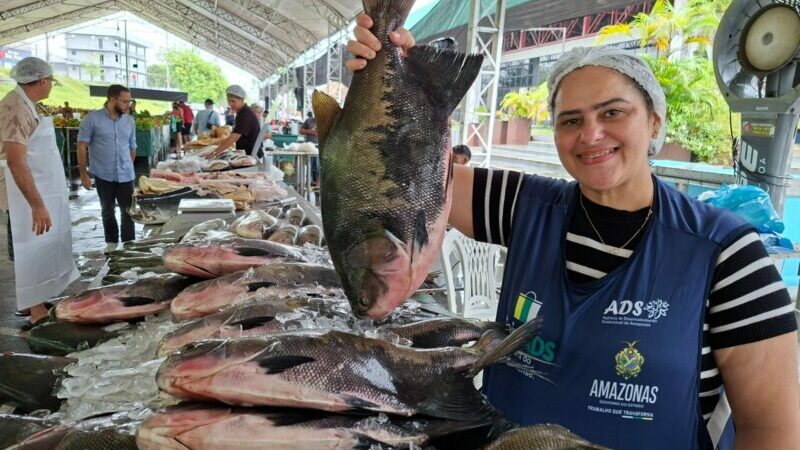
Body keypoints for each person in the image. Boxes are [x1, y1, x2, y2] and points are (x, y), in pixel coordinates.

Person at [348, 16, 800, 449]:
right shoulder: (523, 205)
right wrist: (388, 75)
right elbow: (397, 181)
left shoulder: (727, 251)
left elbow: (774, 429)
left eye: (613, 112)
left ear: (655, 121)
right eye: (571, 120)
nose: (591, 134)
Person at [0, 57, 79, 325]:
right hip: (19, 194)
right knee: (28, 246)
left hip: (38, 188)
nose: (51, 85)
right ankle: (34, 309)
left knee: (42, 243)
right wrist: (36, 204)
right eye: (51, 81)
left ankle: (35, 298)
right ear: (43, 80)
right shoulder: (15, 109)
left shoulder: (25, 104)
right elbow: (15, 160)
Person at [77, 84, 137, 254]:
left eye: (129, 101)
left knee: (128, 212)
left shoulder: (129, 122)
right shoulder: (92, 119)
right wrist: (84, 174)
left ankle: (129, 246)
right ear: (112, 99)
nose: (128, 105)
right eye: (125, 102)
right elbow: (82, 146)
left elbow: (132, 148)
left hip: (126, 175)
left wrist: (128, 166)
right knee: (107, 210)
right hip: (103, 174)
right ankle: (111, 244)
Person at [207, 85, 261, 159]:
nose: (230, 104)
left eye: (233, 101)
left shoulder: (245, 114)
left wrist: (213, 154)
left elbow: (234, 137)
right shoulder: (241, 112)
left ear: (242, 100)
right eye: (229, 101)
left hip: (253, 157)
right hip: (247, 155)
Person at [300, 111, 319, 184]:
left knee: (318, 167)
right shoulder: (309, 120)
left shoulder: (325, 121)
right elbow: (301, 131)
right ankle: (308, 182)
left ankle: (318, 184)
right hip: (309, 147)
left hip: (319, 147)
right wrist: (310, 131)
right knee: (309, 165)